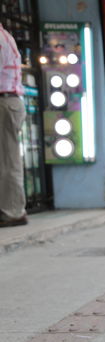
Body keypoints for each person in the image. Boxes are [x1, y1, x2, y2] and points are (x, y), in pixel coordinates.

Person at [0, 23, 27, 227]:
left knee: (8, 160)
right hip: (9, 102)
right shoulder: (5, 35)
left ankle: (13, 212)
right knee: (7, 158)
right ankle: (11, 209)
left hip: (5, 102)